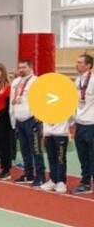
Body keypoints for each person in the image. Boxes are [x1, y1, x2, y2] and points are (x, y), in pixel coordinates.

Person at [10, 60, 45, 186]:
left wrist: (39, 115)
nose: (21, 69)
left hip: (32, 120)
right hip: (19, 120)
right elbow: (12, 101)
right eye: (19, 67)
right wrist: (13, 119)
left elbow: (42, 99)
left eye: (24, 67)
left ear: (31, 67)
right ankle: (28, 174)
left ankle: (40, 176)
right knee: (24, 150)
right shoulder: (15, 82)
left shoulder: (36, 81)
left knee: (36, 150)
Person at [72, 53, 94, 194]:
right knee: (82, 155)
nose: (77, 65)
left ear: (88, 65)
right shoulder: (77, 80)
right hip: (79, 123)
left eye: (80, 62)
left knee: (92, 155)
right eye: (77, 62)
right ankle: (85, 182)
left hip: (91, 124)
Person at [41, 118, 70, 193]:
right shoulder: (45, 109)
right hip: (48, 134)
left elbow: (71, 118)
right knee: (51, 158)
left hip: (61, 133)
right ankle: (53, 180)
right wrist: (44, 134)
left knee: (61, 159)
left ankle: (61, 181)